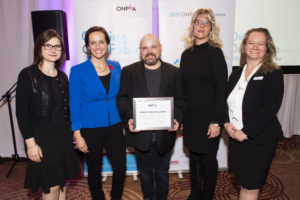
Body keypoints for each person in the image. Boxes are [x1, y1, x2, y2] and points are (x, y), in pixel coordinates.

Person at [117, 34, 186, 200]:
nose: (149, 51)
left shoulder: (174, 73)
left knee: (162, 174)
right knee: (145, 175)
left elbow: (181, 100)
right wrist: (128, 119)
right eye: (144, 48)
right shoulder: (128, 71)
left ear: (160, 48)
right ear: (140, 51)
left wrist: (176, 118)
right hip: (141, 135)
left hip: (165, 135)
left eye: (153, 47)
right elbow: (122, 99)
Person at [16, 29, 80, 200]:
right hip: (42, 141)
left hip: (63, 139)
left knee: (62, 185)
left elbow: (67, 109)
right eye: (48, 45)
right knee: (50, 188)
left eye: (57, 46)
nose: (53, 50)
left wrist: (74, 133)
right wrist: (30, 145)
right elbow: (21, 113)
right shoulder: (28, 75)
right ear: (39, 48)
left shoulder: (62, 77)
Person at [224, 28, 284, 200]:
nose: (255, 47)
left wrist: (246, 132)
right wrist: (227, 124)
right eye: (251, 43)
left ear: (268, 48)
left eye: (260, 43)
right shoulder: (236, 73)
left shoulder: (273, 73)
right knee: (243, 181)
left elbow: (270, 108)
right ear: (244, 46)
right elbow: (224, 102)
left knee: (251, 185)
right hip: (235, 137)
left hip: (259, 140)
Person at [69, 26, 126, 200]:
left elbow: (120, 96)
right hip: (90, 127)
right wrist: (77, 134)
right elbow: (74, 103)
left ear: (108, 44)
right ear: (87, 46)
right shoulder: (78, 71)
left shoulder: (116, 66)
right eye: (92, 43)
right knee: (94, 169)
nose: (98, 46)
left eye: (101, 42)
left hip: (115, 125)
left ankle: (116, 196)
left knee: (120, 167)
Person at [180, 8, 228, 200]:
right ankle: (195, 193)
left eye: (205, 23)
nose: (201, 26)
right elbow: (183, 89)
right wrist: (181, 116)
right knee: (194, 157)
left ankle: (207, 195)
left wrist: (216, 121)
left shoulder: (215, 54)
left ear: (211, 28)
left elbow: (221, 90)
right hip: (191, 118)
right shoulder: (186, 54)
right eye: (198, 22)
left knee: (208, 159)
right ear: (192, 26)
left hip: (209, 118)